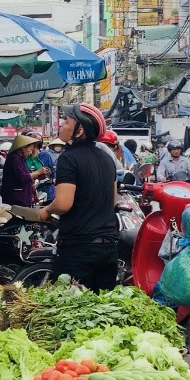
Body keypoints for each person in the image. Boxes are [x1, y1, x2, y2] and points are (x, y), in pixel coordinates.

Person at [37, 103, 119, 290]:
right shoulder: (107, 158)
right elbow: (113, 201)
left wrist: (47, 210)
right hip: (108, 248)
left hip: (79, 249)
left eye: (66, 122)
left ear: (79, 130)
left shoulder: (68, 158)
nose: (62, 126)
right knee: (101, 311)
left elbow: (63, 204)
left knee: (72, 310)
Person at [0, 134, 45, 207]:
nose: (31, 152)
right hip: (16, 198)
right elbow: (23, 177)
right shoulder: (14, 158)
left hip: (22, 197)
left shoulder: (20, 159)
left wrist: (38, 175)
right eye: (30, 149)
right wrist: (38, 172)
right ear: (23, 148)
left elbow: (26, 175)